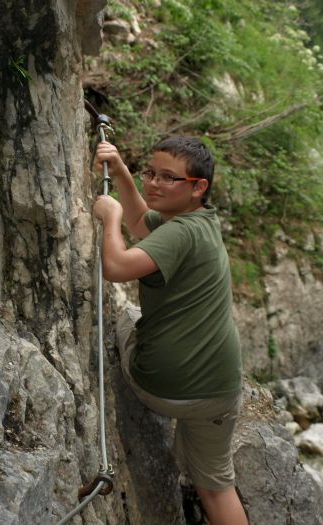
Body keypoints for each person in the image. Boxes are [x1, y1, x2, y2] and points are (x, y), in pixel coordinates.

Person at [92, 136, 248, 525]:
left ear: (198, 187)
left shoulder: (180, 233)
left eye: (168, 178)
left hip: (165, 387)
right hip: (220, 389)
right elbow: (140, 224)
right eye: (150, 173)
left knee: (126, 316)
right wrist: (123, 173)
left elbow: (116, 267)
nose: (154, 183)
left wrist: (109, 217)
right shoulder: (200, 222)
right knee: (216, 487)